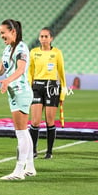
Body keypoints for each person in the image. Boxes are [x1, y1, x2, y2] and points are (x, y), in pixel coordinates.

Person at [0, 19, 36, 180]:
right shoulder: (7, 49)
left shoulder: (21, 48)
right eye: (0, 33)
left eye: (3, 32)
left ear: (13, 32)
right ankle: (30, 167)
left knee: (21, 132)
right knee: (24, 131)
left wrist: (7, 80)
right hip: (14, 92)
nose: (1, 36)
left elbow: (21, 69)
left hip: (21, 92)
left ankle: (19, 171)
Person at [28, 27, 68, 159]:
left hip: (52, 87)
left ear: (51, 38)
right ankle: (33, 150)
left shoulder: (57, 53)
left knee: (50, 121)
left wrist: (63, 91)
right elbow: (30, 72)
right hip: (37, 87)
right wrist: (28, 88)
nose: (43, 39)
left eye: (46, 36)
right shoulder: (33, 52)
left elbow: (61, 73)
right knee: (35, 121)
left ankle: (49, 152)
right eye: (41, 36)